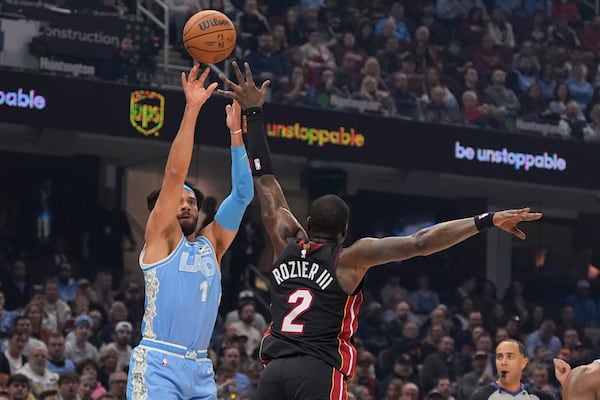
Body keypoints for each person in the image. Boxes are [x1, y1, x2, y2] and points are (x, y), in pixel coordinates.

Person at [218, 61, 543, 400]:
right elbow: (421, 242)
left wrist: (253, 113)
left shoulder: (284, 239)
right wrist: (486, 220)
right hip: (316, 370)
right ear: (344, 231)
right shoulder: (348, 259)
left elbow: (265, 180)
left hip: (274, 371)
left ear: (309, 225)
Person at [126, 64, 254, 400]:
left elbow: (243, 194)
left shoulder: (211, 245)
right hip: (158, 365)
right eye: (180, 200)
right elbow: (174, 172)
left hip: (200, 369)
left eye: (192, 201)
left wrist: (236, 134)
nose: (186, 205)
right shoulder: (161, 240)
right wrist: (192, 109)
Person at [468, 339, 554, 400]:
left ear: (523, 363)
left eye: (510, 357)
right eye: (500, 357)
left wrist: (566, 384)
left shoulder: (539, 397)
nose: (504, 362)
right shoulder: (481, 397)